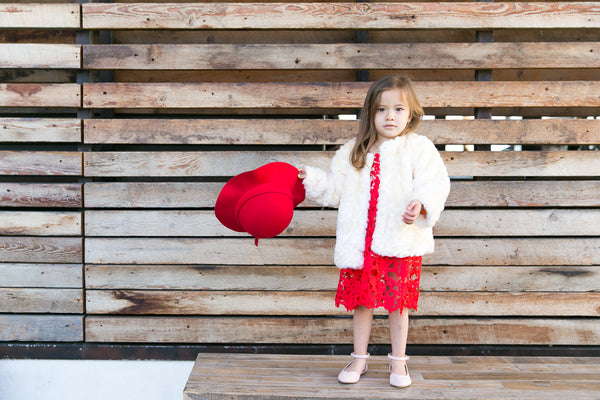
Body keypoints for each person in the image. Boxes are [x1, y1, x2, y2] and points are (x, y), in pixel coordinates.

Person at [297, 75, 450, 388]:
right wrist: (310, 180)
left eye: (397, 109)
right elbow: (334, 189)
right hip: (362, 244)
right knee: (362, 304)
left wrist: (420, 204)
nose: (390, 116)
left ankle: (398, 362)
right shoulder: (354, 151)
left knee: (397, 305)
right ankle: (360, 358)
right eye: (382, 110)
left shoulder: (417, 148)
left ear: (411, 114)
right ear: (370, 113)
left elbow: (434, 182)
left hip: (398, 241)